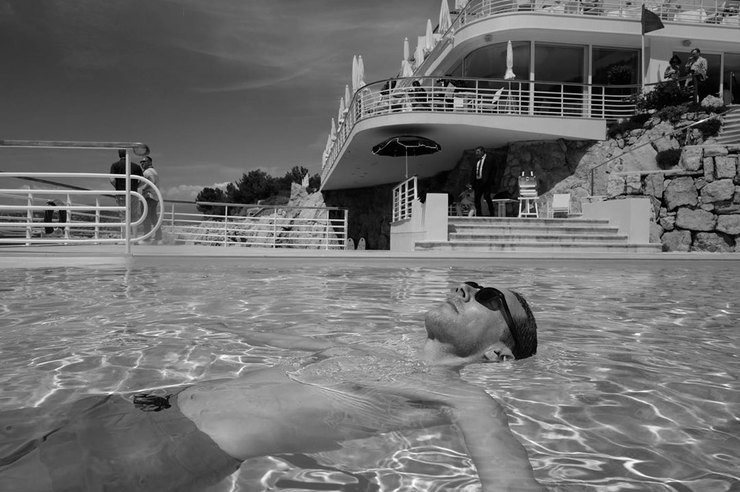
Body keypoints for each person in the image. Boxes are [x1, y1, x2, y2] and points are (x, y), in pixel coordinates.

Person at [0, 282, 544, 492]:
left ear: (499, 353)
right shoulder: (370, 351)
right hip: (130, 406)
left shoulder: (464, 397)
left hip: (160, 449)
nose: (465, 289)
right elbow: (269, 335)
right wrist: (199, 316)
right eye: (470, 284)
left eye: (489, 297)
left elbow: (508, 477)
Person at [109, 149, 144, 237]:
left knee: (124, 216)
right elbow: (143, 181)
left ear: (119, 155)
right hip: (133, 194)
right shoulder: (136, 166)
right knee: (134, 216)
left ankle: (125, 238)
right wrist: (136, 186)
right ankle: (134, 238)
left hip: (121, 194)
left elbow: (112, 180)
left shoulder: (115, 165)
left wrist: (118, 187)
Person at [139, 156, 162, 243]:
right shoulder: (154, 172)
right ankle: (158, 236)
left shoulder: (147, 172)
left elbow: (148, 183)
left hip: (148, 196)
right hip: (154, 197)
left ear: (150, 162)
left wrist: (142, 189)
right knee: (153, 217)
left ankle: (147, 237)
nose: (142, 163)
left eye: (144, 162)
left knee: (146, 217)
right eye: (141, 162)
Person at [470, 146, 496, 216]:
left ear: (482, 152)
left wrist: (490, 180)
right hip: (477, 181)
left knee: (487, 197)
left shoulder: (489, 159)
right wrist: (472, 183)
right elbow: (473, 172)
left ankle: (492, 213)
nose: (477, 153)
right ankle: (479, 214)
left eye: (478, 152)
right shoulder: (476, 160)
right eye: (476, 152)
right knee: (477, 198)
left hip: (486, 182)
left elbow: (493, 170)